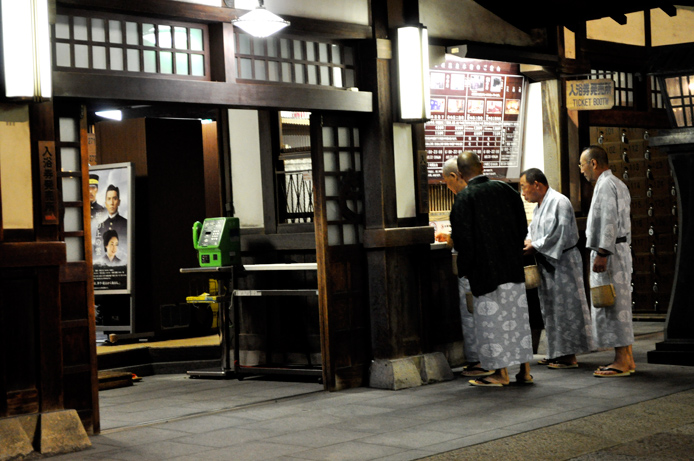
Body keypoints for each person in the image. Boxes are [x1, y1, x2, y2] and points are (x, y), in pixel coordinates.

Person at [450, 152, 533, 387]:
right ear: (482, 166)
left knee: (493, 322)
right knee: (517, 319)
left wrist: (465, 267)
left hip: (486, 272)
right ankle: (525, 371)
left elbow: (463, 239)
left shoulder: (465, 198)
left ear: (461, 173)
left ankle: (500, 373)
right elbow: (522, 227)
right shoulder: (506, 190)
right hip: (513, 268)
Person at [521, 168, 594, 369]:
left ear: (537, 184)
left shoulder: (560, 201)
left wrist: (535, 245)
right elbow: (533, 229)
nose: (523, 192)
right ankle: (556, 352)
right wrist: (529, 240)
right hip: (548, 261)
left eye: (524, 187)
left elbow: (559, 232)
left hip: (563, 261)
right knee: (551, 309)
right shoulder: (539, 206)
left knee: (566, 308)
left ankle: (568, 356)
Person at [580, 145, 635, 377]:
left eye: (582, 165)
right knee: (619, 303)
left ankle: (621, 361)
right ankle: (628, 358)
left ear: (593, 163)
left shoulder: (604, 185)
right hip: (620, 249)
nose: (581, 170)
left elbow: (610, 220)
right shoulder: (618, 183)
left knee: (612, 305)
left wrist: (602, 252)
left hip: (610, 253)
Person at [440, 158, 492, 378]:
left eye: (446, 182)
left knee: (472, 311)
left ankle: (478, 360)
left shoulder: (464, 198)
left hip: (471, 266)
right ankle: (490, 359)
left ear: (455, 176)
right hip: (490, 264)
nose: (447, 187)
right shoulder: (491, 193)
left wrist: (452, 241)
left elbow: (463, 237)